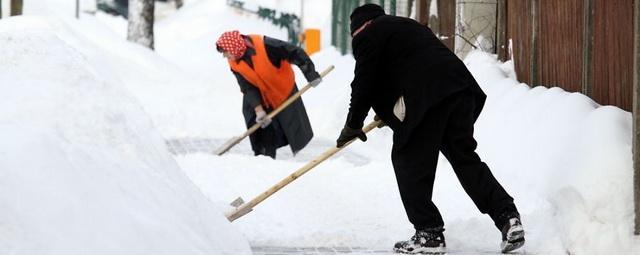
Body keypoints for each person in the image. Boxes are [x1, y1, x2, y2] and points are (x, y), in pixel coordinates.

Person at [335, 4, 525, 254]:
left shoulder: (368, 35)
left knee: (408, 159)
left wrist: (352, 124)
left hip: (427, 97)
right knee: (464, 159)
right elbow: (402, 69)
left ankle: (429, 233)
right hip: (460, 91)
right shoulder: (405, 27)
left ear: (359, 28)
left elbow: (364, 82)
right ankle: (508, 217)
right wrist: (384, 112)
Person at [216, 30, 322, 158]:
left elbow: (295, 52)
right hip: (259, 91)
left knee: (290, 122)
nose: (224, 57)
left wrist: (311, 74)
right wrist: (259, 110)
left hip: (281, 87)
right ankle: (263, 156)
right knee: (255, 119)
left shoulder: (266, 45)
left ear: (234, 47)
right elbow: (247, 87)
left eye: (226, 53)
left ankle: (268, 154)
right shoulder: (234, 62)